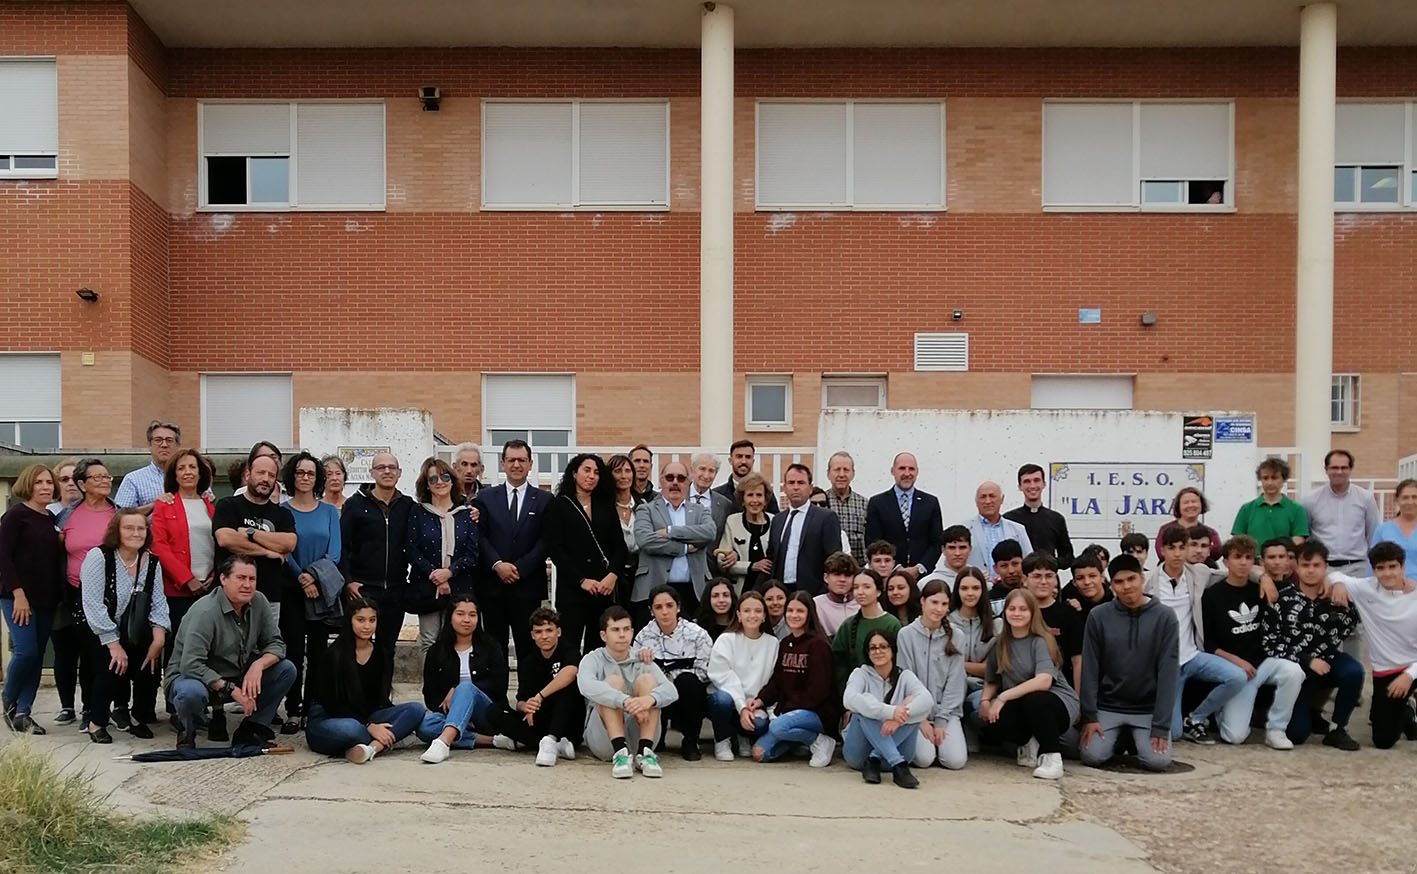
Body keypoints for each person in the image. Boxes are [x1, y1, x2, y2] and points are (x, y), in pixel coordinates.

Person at [165, 555, 297, 749]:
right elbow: (191, 664)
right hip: (196, 678)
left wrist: (258, 665)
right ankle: (187, 731)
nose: (247, 585)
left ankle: (251, 729)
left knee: (286, 669)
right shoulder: (205, 611)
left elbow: (276, 644)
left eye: (252, 579)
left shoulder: (259, 601)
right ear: (223, 579)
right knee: (189, 692)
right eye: (240, 578)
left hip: (237, 672)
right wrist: (231, 690)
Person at [1202, 535, 1305, 749]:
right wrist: (1236, 662)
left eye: (1248, 557)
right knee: (1235, 737)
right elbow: (1209, 644)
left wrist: (1264, 577)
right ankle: (1222, 712)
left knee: (1294, 671)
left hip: (1263, 662)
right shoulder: (1212, 596)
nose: (1242, 562)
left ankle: (1276, 729)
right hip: (1235, 672)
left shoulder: (1260, 588)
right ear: (1226, 562)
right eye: (1237, 557)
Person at [1144, 524, 1246, 743]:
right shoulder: (1148, 583)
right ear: (1162, 550)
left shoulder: (1198, 572)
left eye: (1183, 547)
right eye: (1172, 548)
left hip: (1192, 656)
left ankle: (1197, 717)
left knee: (1237, 677)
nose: (1178, 553)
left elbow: (1233, 574)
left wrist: (1263, 577)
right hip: (1165, 666)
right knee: (1174, 733)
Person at [1077, 555, 1178, 772]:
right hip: (1108, 705)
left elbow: (1168, 673)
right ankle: (1121, 736)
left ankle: (1133, 737)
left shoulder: (1165, 617)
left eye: (1131, 579)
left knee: (1157, 762)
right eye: (1119, 582)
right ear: (1111, 585)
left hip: (1146, 709)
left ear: (1142, 578)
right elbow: (1090, 669)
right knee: (1091, 756)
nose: (1127, 586)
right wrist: (1090, 716)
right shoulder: (1098, 616)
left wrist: (1161, 726)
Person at [304, 597, 426, 763]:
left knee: (415, 710)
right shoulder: (334, 654)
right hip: (330, 719)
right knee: (353, 730)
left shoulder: (380, 653)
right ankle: (380, 739)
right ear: (350, 621)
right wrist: (369, 726)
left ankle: (371, 748)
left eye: (372, 620)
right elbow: (331, 704)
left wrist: (374, 723)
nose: (367, 626)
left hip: (367, 715)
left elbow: (380, 701)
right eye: (360, 620)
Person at [1264, 541, 1361, 749]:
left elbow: (1350, 625)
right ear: (1296, 567)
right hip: (1297, 669)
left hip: (1328, 663)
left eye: (1316, 565)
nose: (1310, 570)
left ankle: (1337, 729)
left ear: (1325, 567)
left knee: (1353, 671)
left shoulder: (1337, 598)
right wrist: (1306, 659)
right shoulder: (1282, 599)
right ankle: (1305, 713)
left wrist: (1339, 586)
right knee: (1297, 735)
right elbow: (1270, 643)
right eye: (1305, 565)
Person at [979, 589, 1079, 780]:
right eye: (1012, 608)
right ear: (1005, 612)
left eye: (1023, 609)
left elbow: (1044, 681)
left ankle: (1052, 757)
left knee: (1035, 700)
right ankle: (1028, 742)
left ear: (1033, 613)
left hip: (1055, 702)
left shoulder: (1041, 640)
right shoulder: (1000, 643)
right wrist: (985, 701)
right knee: (995, 715)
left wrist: (1002, 697)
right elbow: (993, 679)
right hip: (1022, 702)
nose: (1017, 613)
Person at [1328, 541, 1417, 749]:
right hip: (1387, 671)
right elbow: (1334, 575)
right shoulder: (1366, 588)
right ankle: (1406, 711)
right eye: (1380, 568)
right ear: (1373, 570)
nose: (1387, 574)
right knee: (1383, 741)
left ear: (1402, 568)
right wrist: (1339, 585)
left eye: (1393, 567)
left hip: (1414, 667)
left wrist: (1409, 675)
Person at [279, 451, 343, 734]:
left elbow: (336, 553)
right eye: (300, 472)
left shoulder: (329, 511)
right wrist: (302, 578)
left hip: (322, 592)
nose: (305, 477)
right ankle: (293, 710)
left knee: (319, 653)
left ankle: (313, 706)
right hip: (293, 590)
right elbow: (283, 549)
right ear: (292, 476)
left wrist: (314, 578)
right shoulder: (283, 511)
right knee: (293, 652)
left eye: (311, 473)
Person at [472, 439, 550, 661]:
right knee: (494, 647)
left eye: (522, 460)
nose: (517, 465)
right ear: (503, 463)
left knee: (528, 646)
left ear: (530, 463)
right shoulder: (485, 497)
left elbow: (546, 540)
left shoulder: (544, 499)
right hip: (493, 586)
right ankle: (496, 696)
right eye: (511, 460)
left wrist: (519, 568)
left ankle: (527, 695)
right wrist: (498, 565)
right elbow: (479, 536)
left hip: (527, 586)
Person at [578, 606, 679, 778]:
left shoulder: (642, 659)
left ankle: (646, 753)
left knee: (648, 681)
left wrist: (648, 700)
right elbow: (585, 685)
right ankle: (620, 753)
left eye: (626, 629)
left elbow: (671, 691)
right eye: (615, 630)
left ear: (632, 632)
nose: (622, 635)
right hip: (605, 741)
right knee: (612, 683)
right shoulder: (592, 659)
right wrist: (624, 701)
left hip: (638, 733)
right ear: (604, 635)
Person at [1, 464, 64, 734]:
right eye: (39, 482)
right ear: (29, 485)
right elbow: (3, 558)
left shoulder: (50, 518)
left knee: (37, 656)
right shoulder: (15, 516)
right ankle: (8, 702)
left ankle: (24, 713)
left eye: (49, 482)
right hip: (17, 597)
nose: (45, 487)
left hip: (46, 598)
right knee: (25, 651)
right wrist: (18, 594)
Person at [544, 453, 627, 655]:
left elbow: (620, 546)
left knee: (598, 647)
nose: (591, 476)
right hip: (573, 589)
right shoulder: (559, 505)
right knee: (569, 646)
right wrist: (581, 580)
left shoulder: (605, 505)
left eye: (596, 472)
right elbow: (556, 549)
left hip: (603, 588)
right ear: (574, 473)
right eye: (586, 470)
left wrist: (612, 575)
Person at [339, 453, 414, 676]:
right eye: (381, 467)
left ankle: (382, 700)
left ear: (399, 473)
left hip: (395, 589)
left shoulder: (408, 506)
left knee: (387, 649)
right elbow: (342, 546)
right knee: (356, 647)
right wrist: (348, 581)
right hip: (362, 589)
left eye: (392, 467)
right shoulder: (355, 504)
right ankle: (354, 697)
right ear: (371, 473)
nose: (387, 471)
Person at [59, 458, 117, 731]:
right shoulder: (67, 515)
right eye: (97, 477)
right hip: (76, 592)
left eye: (107, 477)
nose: (105, 481)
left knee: (112, 652)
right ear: (81, 484)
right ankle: (89, 710)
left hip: (113, 592)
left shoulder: (117, 514)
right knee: (88, 654)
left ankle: (117, 708)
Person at [416, 595, 508, 763]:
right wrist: (458, 713)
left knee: (465, 688)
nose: (467, 620)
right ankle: (492, 741)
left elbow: (499, 686)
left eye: (472, 615)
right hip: (452, 715)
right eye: (460, 614)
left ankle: (444, 743)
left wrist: (459, 692)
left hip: (486, 713)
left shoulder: (491, 646)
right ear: (450, 617)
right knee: (425, 727)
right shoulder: (437, 651)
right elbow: (430, 695)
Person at [752, 592, 838, 766]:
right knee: (759, 753)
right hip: (791, 714)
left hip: (818, 713)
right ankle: (801, 742)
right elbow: (777, 681)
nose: (794, 615)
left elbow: (819, 691)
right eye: (790, 610)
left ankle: (821, 741)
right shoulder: (785, 643)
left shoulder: (818, 645)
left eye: (800, 611)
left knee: (778, 727)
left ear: (809, 614)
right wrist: (760, 699)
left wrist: (788, 709)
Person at [149, 448, 215, 670]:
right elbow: (159, 546)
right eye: (181, 468)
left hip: (209, 586)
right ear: (174, 475)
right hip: (177, 590)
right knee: (178, 642)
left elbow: (218, 543)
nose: (188, 472)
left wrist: (213, 577)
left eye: (192, 467)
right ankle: (173, 698)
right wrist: (187, 579)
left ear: (200, 473)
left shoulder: (210, 506)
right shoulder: (164, 504)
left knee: (208, 643)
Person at [490, 607, 581, 766]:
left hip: (567, 722)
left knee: (566, 686)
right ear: (533, 635)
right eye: (539, 632)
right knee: (493, 712)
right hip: (539, 719)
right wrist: (528, 706)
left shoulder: (569, 651)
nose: (544, 636)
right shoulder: (529, 661)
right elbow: (520, 701)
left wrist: (539, 697)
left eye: (549, 630)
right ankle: (547, 744)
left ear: (558, 632)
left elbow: (571, 672)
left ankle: (550, 739)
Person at [407, 457, 478, 656]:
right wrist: (435, 575)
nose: (440, 482)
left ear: (453, 481)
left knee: (457, 641)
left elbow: (472, 555)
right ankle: (432, 687)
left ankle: (456, 687)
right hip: (427, 586)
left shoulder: (467, 514)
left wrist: (449, 572)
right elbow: (412, 549)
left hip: (460, 586)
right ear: (426, 485)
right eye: (433, 479)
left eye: (445, 477)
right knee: (430, 641)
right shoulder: (417, 512)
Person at [842, 629, 931, 787]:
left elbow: (927, 700)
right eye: (873, 648)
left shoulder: (905, 676)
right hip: (859, 756)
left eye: (883, 646)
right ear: (867, 652)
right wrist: (889, 712)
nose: (878, 651)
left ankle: (875, 757)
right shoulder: (861, 674)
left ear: (892, 650)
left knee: (915, 706)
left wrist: (899, 718)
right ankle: (898, 766)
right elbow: (848, 699)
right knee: (865, 703)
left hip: (896, 752)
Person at [633, 585, 714, 760]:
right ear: (651, 611)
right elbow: (635, 673)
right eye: (658, 607)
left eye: (669, 606)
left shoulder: (698, 634)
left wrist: (673, 682)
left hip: (687, 694)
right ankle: (656, 736)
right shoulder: (642, 637)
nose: (664, 612)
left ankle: (691, 740)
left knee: (689, 681)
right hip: (657, 697)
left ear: (678, 607)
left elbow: (704, 671)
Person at [898, 579, 969, 770]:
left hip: (945, 711)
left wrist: (941, 720)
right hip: (914, 712)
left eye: (944, 604)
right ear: (922, 601)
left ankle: (942, 743)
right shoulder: (906, 634)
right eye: (934, 602)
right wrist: (920, 719)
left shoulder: (957, 636)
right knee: (923, 759)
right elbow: (906, 678)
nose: (939, 609)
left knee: (955, 761)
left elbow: (956, 681)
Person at [632, 462, 716, 622]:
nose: (675, 482)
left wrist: (670, 531)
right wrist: (683, 547)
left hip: (693, 592)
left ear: (688, 482)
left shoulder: (701, 510)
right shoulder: (645, 510)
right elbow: (646, 540)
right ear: (661, 481)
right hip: (653, 589)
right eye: (670, 478)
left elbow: (709, 532)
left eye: (681, 478)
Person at [211, 451, 297, 606]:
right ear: (248, 474)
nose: (266, 479)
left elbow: (288, 543)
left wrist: (250, 533)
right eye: (260, 473)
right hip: (229, 598)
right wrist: (268, 551)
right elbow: (226, 539)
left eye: (271, 475)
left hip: (269, 599)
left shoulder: (283, 514)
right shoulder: (228, 505)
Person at [765, 463, 842, 596]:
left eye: (801, 483)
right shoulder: (778, 520)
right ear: (784, 487)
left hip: (814, 593)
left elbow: (834, 559)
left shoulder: (825, 517)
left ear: (810, 488)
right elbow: (772, 557)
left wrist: (824, 591)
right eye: (791, 483)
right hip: (781, 593)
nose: (795, 487)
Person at [865, 453, 943, 582]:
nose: (907, 473)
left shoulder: (930, 502)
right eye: (902, 468)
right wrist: (896, 568)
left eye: (911, 469)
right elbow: (873, 541)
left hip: (923, 577)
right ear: (892, 471)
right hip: (888, 576)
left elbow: (937, 541)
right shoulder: (877, 503)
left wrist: (919, 568)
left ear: (917, 472)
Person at [1302, 450, 1380, 577]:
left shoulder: (1365, 498)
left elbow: (1373, 535)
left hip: (1357, 568)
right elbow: (1307, 536)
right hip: (1323, 569)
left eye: (1344, 468)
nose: (1339, 472)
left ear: (1350, 469)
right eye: (1334, 468)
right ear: (1326, 469)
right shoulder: (1310, 500)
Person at [832, 569, 901, 693]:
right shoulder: (848, 625)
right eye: (856, 587)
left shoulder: (892, 624)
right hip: (856, 695)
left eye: (867, 587)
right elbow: (839, 663)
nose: (860, 592)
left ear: (878, 591)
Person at [1025, 552, 1084, 691]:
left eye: (1049, 576)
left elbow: (1077, 661)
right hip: (1022, 686)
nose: (1043, 581)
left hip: (1061, 688)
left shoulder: (1069, 614)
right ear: (1024, 580)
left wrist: (1078, 699)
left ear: (1056, 580)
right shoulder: (1016, 613)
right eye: (1037, 576)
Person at [1005, 463, 1074, 567]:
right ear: (1020, 486)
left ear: (1044, 484)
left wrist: (1049, 563)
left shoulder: (1056, 519)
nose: (1032, 486)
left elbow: (1067, 556)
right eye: (1027, 481)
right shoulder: (1008, 519)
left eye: (1036, 480)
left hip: (1049, 578)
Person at [1231, 458, 1308, 550]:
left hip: (1283, 561)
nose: (1269, 483)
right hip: (1254, 561)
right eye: (1265, 478)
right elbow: (1238, 540)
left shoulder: (1296, 509)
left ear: (1283, 480)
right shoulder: (1246, 509)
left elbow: (1298, 539)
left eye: (1274, 478)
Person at [716, 472, 774, 591]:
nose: (754, 500)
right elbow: (722, 561)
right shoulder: (732, 521)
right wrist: (751, 566)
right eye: (750, 495)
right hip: (740, 591)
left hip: (768, 591)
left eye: (759, 495)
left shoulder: (775, 521)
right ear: (742, 500)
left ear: (765, 500)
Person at [967, 482, 1033, 579]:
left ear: (1002, 499)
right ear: (976, 501)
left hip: (1011, 589)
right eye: (983, 497)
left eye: (992, 496)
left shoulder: (1018, 529)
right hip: (977, 589)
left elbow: (1029, 562)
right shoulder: (965, 529)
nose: (988, 501)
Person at [114, 420, 182, 514]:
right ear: (149, 445)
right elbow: (120, 516)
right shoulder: (133, 479)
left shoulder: (191, 476)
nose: (164, 445)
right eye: (158, 440)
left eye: (169, 440)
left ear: (177, 445)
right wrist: (154, 505)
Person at [824, 451, 869, 564]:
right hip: (830, 570)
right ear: (828, 473)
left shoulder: (865, 504)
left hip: (859, 568)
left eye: (846, 470)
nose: (842, 474)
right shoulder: (821, 503)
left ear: (853, 474)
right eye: (837, 469)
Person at [1155, 487, 1220, 564]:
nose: (1190, 505)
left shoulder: (1210, 532)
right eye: (1186, 502)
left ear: (1201, 504)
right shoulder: (1166, 529)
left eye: (1194, 501)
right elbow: (1161, 553)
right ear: (1178, 506)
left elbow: (1217, 552)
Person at [715, 439, 780, 513]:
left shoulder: (765, 492)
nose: (743, 461)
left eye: (748, 457)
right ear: (730, 460)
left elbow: (775, 520)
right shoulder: (718, 494)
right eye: (739, 456)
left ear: (753, 461)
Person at [1371, 478, 1417, 580]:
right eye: (1405, 497)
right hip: (1390, 589)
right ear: (1397, 499)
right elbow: (1373, 564)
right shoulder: (1383, 530)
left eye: (1414, 497)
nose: (1410, 502)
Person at [688, 452, 733, 555]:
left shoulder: (724, 504)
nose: (706, 475)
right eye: (702, 469)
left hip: (710, 566)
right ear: (693, 470)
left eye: (711, 471)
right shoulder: (678, 497)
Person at [608, 453, 640, 593]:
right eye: (617, 471)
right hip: (612, 575)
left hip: (640, 574)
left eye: (628, 471)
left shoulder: (643, 505)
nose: (623, 476)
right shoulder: (603, 507)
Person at [813, 552, 861, 637]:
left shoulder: (865, 603)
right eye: (837, 574)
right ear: (826, 577)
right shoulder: (815, 605)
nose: (842, 579)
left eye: (847, 575)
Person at [923, 525, 971, 589]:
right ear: (943, 549)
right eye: (952, 548)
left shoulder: (979, 580)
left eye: (962, 547)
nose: (957, 553)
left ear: (970, 549)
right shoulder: (925, 583)